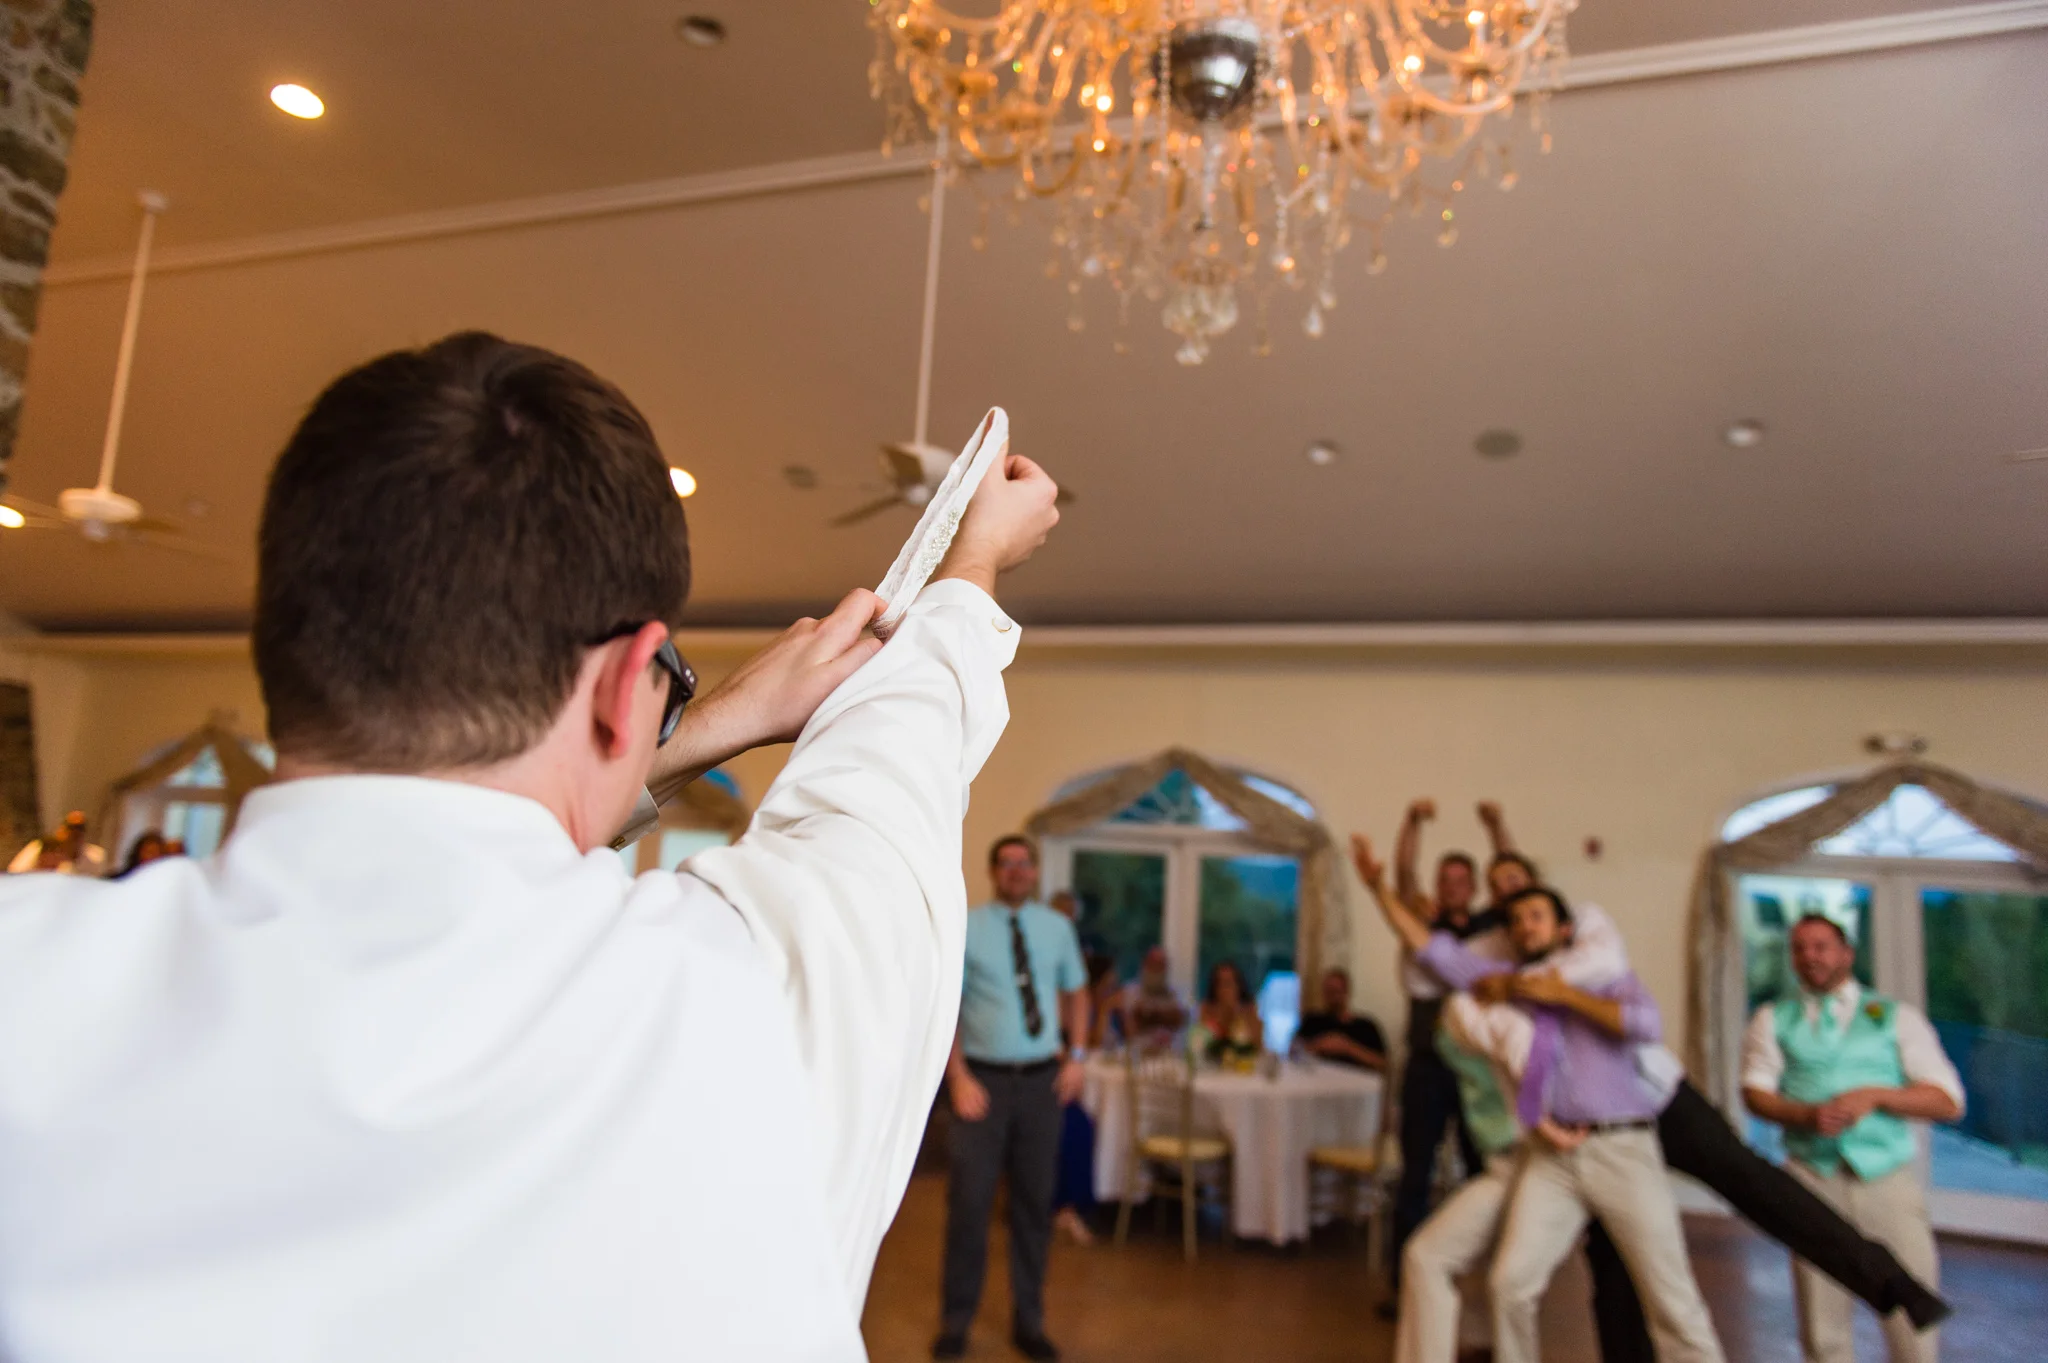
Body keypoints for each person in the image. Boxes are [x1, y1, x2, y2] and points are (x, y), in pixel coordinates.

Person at [0, 332, 1061, 1362]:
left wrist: (684, 727)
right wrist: (969, 561)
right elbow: (890, 770)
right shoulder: (738, 1000)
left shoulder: (32, 971)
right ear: (627, 681)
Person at [1359, 841, 1727, 1363]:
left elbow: (1648, 1025)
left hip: (1621, 1147)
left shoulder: (1604, 974)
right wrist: (1379, 888)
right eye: (1515, 920)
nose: (1524, 926)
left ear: (1563, 928)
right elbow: (1432, 949)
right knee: (1509, 1285)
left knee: (1671, 1299)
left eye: (1536, 915)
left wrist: (1566, 995)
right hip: (1552, 1158)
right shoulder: (1502, 986)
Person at [1742, 915, 1963, 1363]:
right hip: (1811, 1179)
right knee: (1821, 1325)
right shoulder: (1772, 1018)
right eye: (1799, 948)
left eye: (1821, 946)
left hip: (1884, 1179)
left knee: (1912, 1314)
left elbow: (1947, 1102)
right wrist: (1805, 1115)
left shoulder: (1896, 1017)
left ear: (1847, 954)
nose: (1809, 956)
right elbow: (1754, 1092)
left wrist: (1877, 1096)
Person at [937, 836, 1090, 1362]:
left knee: (1033, 1207)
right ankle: (956, 1321)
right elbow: (946, 1004)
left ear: (1036, 870)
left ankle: (1030, 1322)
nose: (1017, 871)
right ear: (992, 871)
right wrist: (957, 1076)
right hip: (981, 1085)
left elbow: (1078, 991)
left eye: (1025, 863)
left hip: (1042, 1085)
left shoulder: (1057, 928)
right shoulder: (968, 925)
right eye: (1007, 863)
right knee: (969, 1206)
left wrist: (1078, 1056)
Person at [1386, 798, 1513, 1299]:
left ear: (1474, 887)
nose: (1453, 887)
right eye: (1446, 880)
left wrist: (1496, 825)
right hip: (1427, 1067)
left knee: (1482, 1170)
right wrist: (1412, 821)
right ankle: (1402, 1286)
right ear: (1438, 887)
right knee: (1414, 1173)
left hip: (1477, 1071)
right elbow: (1402, 876)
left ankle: (1480, 1275)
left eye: (1462, 880)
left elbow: (1513, 876)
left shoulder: (1491, 929)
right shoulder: (1424, 927)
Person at [1296, 965, 1387, 1069]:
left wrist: (1347, 1047)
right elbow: (1293, 1050)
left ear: (1346, 992)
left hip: (1355, 1078)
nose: (1332, 997)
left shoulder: (1366, 1026)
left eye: (1336, 991)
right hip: (1316, 1076)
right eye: (1328, 991)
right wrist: (1318, 1045)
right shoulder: (1312, 1020)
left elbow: (1382, 1064)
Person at [1120, 944, 1189, 1051]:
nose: (1157, 970)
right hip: (1138, 1051)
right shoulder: (1130, 992)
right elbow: (1129, 1028)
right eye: (1153, 964)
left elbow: (1181, 1020)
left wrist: (1149, 1014)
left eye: (1161, 965)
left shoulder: (1175, 994)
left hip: (1169, 1053)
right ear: (1145, 965)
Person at [1196, 959, 1263, 1064]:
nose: (1224, 988)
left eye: (1228, 983)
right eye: (1219, 983)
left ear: (1238, 985)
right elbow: (1203, 1045)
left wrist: (1236, 1014)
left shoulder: (1250, 1010)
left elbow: (1257, 1047)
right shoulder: (1206, 1009)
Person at [6, 810, 106, 876]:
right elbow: (15, 873)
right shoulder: (41, 848)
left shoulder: (97, 857)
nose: (75, 834)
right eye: (71, 829)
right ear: (61, 830)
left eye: (80, 829)